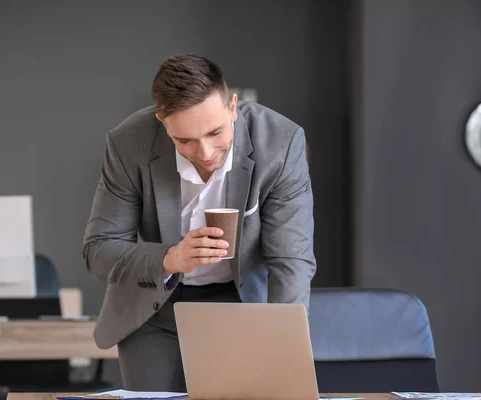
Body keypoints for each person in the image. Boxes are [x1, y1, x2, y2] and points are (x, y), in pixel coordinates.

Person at [82, 53, 316, 392]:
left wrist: (282, 345)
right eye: (185, 140)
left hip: (242, 304)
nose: (205, 151)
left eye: (215, 132)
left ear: (232, 106)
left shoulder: (280, 143)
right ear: (163, 121)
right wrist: (171, 258)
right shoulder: (128, 143)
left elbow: (290, 259)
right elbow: (98, 250)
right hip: (154, 308)